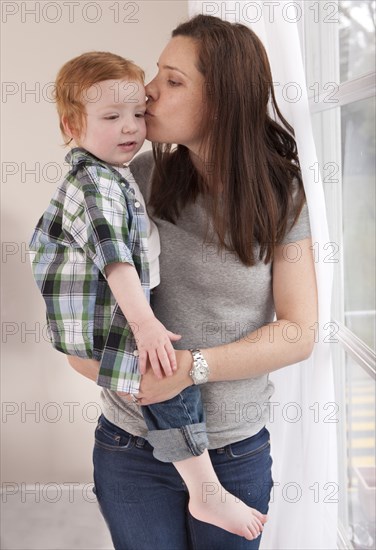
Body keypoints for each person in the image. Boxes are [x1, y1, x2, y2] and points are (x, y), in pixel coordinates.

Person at [67, 14, 318, 550]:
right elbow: (73, 332)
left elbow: (299, 331)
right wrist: (138, 378)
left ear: (223, 102)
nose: (149, 92)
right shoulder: (129, 185)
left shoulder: (282, 195)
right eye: (158, 72)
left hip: (235, 451)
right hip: (130, 448)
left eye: (173, 81)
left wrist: (189, 369)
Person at [29, 50, 267, 542]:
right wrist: (145, 323)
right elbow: (116, 260)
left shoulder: (114, 173)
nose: (131, 126)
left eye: (137, 113)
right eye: (112, 117)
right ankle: (205, 488)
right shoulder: (95, 181)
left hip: (113, 307)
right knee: (164, 370)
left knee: (164, 373)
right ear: (71, 124)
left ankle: (203, 486)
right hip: (104, 307)